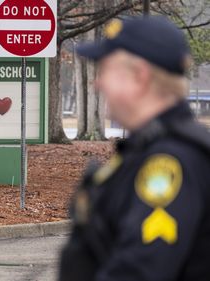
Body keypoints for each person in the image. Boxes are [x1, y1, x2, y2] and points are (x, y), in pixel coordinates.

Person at [59, 16, 210, 281]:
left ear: (140, 76)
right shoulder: (147, 149)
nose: (98, 83)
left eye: (105, 70)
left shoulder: (170, 161)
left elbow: (140, 270)